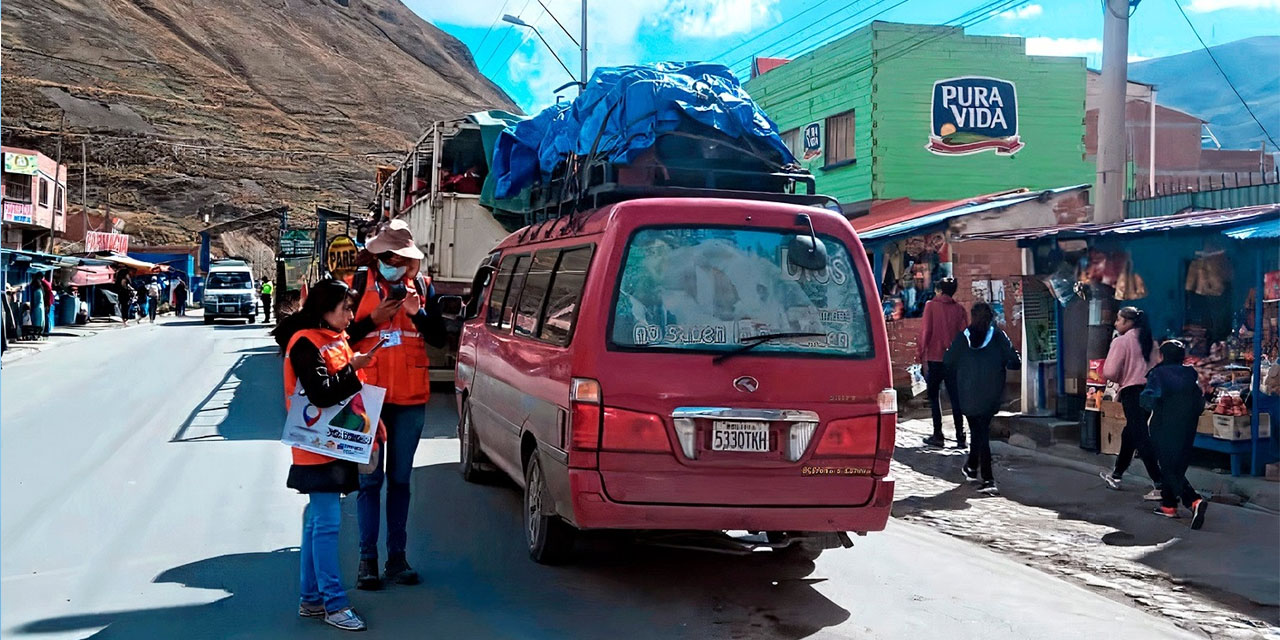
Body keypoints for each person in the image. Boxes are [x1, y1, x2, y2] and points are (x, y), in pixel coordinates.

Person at [272, 279, 377, 631]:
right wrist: (353, 368)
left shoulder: (333, 338)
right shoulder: (306, 343)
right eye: (346, 309)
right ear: (325, 309)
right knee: (327, 524)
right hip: (317, 448)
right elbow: (322, 394)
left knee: (318, 523)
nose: (351, 316)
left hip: (333, 443)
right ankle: (334, 604)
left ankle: (313, 599)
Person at [346, 219, 446, 590]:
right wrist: (372, 320)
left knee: (400, 481)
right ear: (378, 256)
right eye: (391, 258)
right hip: (367, 399)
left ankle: (397, 559)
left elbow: (440, 338)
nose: (397, 265)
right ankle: (367, 561)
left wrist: (419, 313)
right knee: (369, 482)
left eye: (403, 259)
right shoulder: (356, 287)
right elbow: (338, 338)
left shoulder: (423, 288)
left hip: (409, 400)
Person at [944, 302, 1021, 495]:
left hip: (968, 393)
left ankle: (983, 475)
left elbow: (948, 361)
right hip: (991, 394)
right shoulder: (998, 336)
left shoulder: (964, 337)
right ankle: (977, 471)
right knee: (981, 432)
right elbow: (1015, 362)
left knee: (978, 432)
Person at [1143, 340, 1210, 529]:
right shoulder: (1190, 374)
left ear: (1163, 356)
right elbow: (1199, 403)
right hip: (1187, 426)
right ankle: (1169, 506)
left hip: (1164, 425)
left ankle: (1193, 500)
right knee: (1177, 465)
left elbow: (1148, 400)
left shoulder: (1158, 374)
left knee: (1168, 467)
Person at [1098, 306, 1163, 500]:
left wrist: (1121, 378)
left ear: (1128, 322)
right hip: (1150, 392)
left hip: (1132, 391)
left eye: (1118, 320)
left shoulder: (1122, 341)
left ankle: (1160, 483)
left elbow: (1109, 372)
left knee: (1140, 435)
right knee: (1131, 432)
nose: (1116, 323)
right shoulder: (1151, 341)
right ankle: (1116, 475)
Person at [918, 278, 969, 448]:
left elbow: (926, 332)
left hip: (935, 358)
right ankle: (961, 436)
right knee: (956, 398)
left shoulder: (931, 306)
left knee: (934, 397)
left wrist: (920, 353)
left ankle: (938, 434)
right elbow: (964, 335)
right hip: (954, 360)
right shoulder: (959, 309)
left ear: (939, 290)